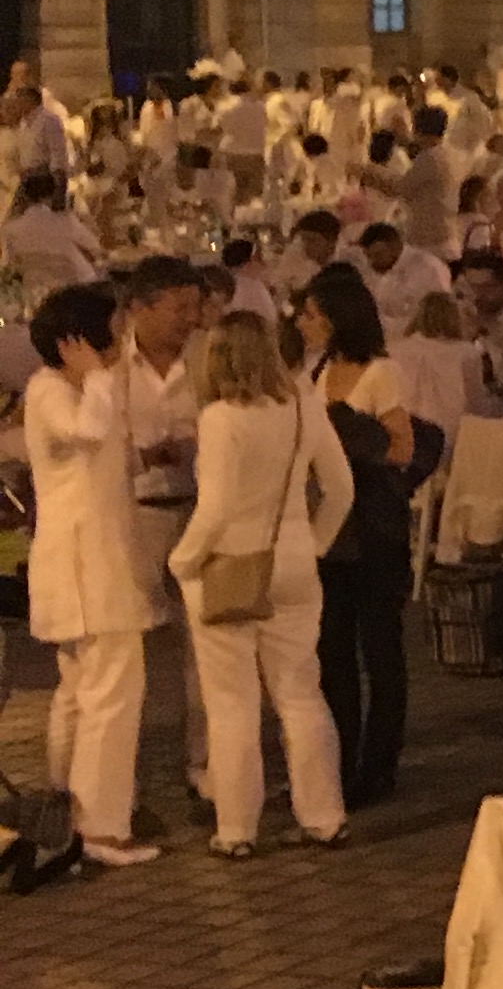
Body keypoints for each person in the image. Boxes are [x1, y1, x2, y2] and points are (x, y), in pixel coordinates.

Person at [170, 308, 352, 858]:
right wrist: (313, 544)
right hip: (293, 563)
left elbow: (216, 507)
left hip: (228, 567)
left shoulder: (222, 417)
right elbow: (341, 489)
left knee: (231, 705)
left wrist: (184, 560)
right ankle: (324, 816)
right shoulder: (303, 405)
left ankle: (236, 830)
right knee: (300, 692)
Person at [20, 281, 158, 872]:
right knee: (110, 695)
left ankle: (72, 813)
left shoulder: (69, 389)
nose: (123, 340)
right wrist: (97, 376)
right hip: (87, 571)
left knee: (82, 694)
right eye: (114, 328)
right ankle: (100, 825)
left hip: (90, 566)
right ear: (80, 340)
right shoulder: (53, 389)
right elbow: (89, 432)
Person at [296, 259, 422, 806]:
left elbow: (402, 447)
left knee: (380, 649)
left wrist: (350, 440)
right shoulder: (317, 370)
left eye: (310, 314)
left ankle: (380, 762)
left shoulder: (380, 373)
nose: (302, 322)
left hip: (371, 527)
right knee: (333, 651)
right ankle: (340, 760)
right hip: (328, 529)